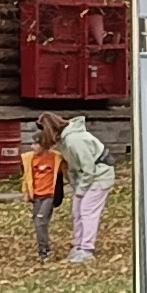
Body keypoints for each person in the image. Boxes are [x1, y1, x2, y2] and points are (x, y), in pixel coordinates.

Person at [62, 109, 115, 263]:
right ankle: (78, 246)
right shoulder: (64, 142)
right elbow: (73, 167)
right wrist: (76, 188)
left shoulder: (74, 140)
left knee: (87, 211)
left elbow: (88, 167)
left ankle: (87, 249)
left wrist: (81, 189)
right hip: (88, 179)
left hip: (100, 176)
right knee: (77, 211)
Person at [23, 119, 64, 258]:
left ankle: (45, 251)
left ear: (43, 144)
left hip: (49, 195)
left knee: (41, 221)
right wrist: (26, 192)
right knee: (38, 223)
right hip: (36, 196)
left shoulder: (56, 157)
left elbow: (66, 171)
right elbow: (27, 177)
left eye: (35, 143)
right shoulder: (29, 159)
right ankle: (43, 248)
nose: (32, 147)